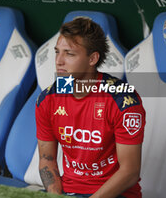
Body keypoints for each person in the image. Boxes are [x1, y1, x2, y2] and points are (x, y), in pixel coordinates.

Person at [35, 17, 146, 198]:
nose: (59, 61)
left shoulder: (123, 100)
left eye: (69, 54)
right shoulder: (48, 98)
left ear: (93, 58)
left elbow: (130, 172)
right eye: (57, 52)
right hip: (69, 191)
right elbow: (46, 160)